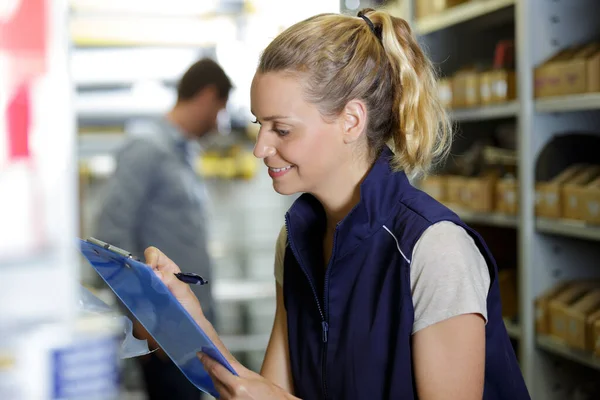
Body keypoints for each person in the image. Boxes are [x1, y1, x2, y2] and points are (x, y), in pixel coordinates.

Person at [143, 8, 531, 400]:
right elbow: (268, 393)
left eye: (282, 129)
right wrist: (189, 322)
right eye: (261, 125)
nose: (261, 148)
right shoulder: (297, 241)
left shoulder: (436, 250)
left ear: (351, 120)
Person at [95, 58, 232, 399]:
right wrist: (142, 313)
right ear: (207, 96)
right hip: (162, 327)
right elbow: (110, 233)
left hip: (186, 327)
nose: (220, 122)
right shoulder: (147, 148)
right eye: (220, 109)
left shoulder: (182, 152)